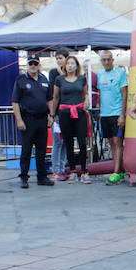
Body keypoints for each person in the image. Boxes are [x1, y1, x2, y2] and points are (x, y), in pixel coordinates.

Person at [11, 55, 54, 189]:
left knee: (42, 150)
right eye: (31, 64)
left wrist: (51, 115)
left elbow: (50, 99)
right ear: (27, 65)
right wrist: (19, 120)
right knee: (26, 151)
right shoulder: (21, 80)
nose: (33, 66)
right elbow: (15, 101)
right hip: (28, 120)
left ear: (39, 65)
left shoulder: (44, 79)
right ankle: (24, 177)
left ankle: (42, 177)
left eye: (35, 63)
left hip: (42, 119)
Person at [50, 56, 91, 184]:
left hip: (79, 112)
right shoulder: (59, 79)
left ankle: (84, 171)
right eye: (69, 64)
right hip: (64, 113)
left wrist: (87, 101)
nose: (71, 66)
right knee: (68, 143)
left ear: (76, 66)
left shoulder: (81, 79)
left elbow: (85, 94)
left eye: (73, 63)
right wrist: (52, 115)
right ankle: (72, 171)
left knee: (82, 142)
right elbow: (55, 98)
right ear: (65, 66)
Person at [98, 50, 129, 185]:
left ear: (112, 60)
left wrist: (122, 115)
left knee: (118, 142)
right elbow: (100, 94)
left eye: (108, 59)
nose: (106, 62)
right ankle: (119, 170)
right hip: (104, 114)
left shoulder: (120, 73)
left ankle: (116, 172)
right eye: (103, 60)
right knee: (111, 142)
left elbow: (125, 94)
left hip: (116, 113)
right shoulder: (100, 74)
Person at [48, 48, 69, 180]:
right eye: (57, 59)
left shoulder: (72, 73)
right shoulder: (53, 73)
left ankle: (63, 168)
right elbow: (52, 94)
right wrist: (52, 114)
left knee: (66, 141)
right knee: (57, 141)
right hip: (57, 113)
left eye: (60, 58)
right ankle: (55, 169)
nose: (58, 61)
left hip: (68, 112)